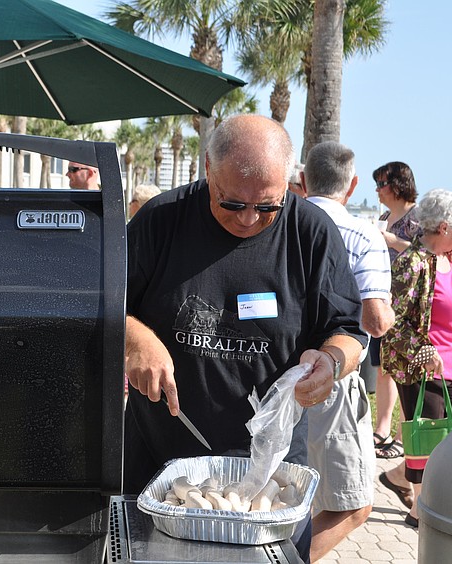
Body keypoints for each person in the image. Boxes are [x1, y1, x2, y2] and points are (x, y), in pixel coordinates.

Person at [124, 114, 367, 563]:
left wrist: (331, 363)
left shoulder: (310, 232)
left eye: (268, 206)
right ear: (208, 170)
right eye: (232, 203)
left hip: (268, 472)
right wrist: (135, 338)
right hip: (159, 459)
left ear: (290, 183)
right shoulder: (161, 220)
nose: (250, 219)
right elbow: (103, 303)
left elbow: (348, 330)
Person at [301, 142, 394, 561]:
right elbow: (374, 321)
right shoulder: (364, 235)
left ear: (303, 181)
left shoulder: (281, 222)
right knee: (352, 504)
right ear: (353, 184)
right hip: (332, 375)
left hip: (271, 372)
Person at [379, 189, 452, 528]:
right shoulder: (412, 264)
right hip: (421, 369)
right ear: (443, 227)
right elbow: (391, 322)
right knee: (432, 442)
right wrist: (423, 351)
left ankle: (399, 476)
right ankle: (421, 514)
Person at [371, 161, 421, 460]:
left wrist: (392, 241)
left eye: (382, 184)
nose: (377, 190)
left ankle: (403, 436)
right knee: (383, 368)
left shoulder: (418, 217)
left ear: (398, 185)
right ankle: (382, 428)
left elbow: (426, 254)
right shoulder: (383, 216)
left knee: (404, 372)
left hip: (408, 306)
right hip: (383, 301)